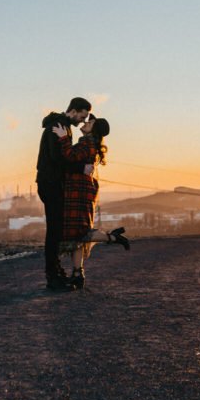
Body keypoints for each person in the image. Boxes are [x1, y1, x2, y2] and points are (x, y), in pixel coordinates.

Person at [52, 115, 129, 290]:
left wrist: (63, 137)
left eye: (89, 122)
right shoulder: (89, 143)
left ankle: (112, 237)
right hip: (80, 191)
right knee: (77, 237)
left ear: (94, 129)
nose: (85, 123)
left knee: (81, 232)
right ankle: (78, 274)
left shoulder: (87, 144)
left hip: (79, 192)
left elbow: (69, 156)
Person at [36, 97, 91, 290]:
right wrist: (81, 167)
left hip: (53, 183)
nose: (82, 121)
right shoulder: (58, 125)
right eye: (82, 116)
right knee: (54, 232)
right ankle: (53, 278)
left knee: (57, 231)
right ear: (74, 110)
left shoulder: (64, 126)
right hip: (50, 183)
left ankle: (57, 274)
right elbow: (57, 158)